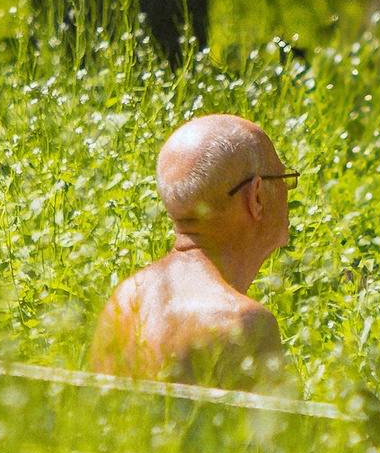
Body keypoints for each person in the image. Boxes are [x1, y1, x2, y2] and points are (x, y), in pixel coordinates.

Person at [87, 115, 296, 387]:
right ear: (257, 196)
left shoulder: (125, 300)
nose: (288, 191)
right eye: (283, 178)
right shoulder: (242, 324)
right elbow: (276, 430)